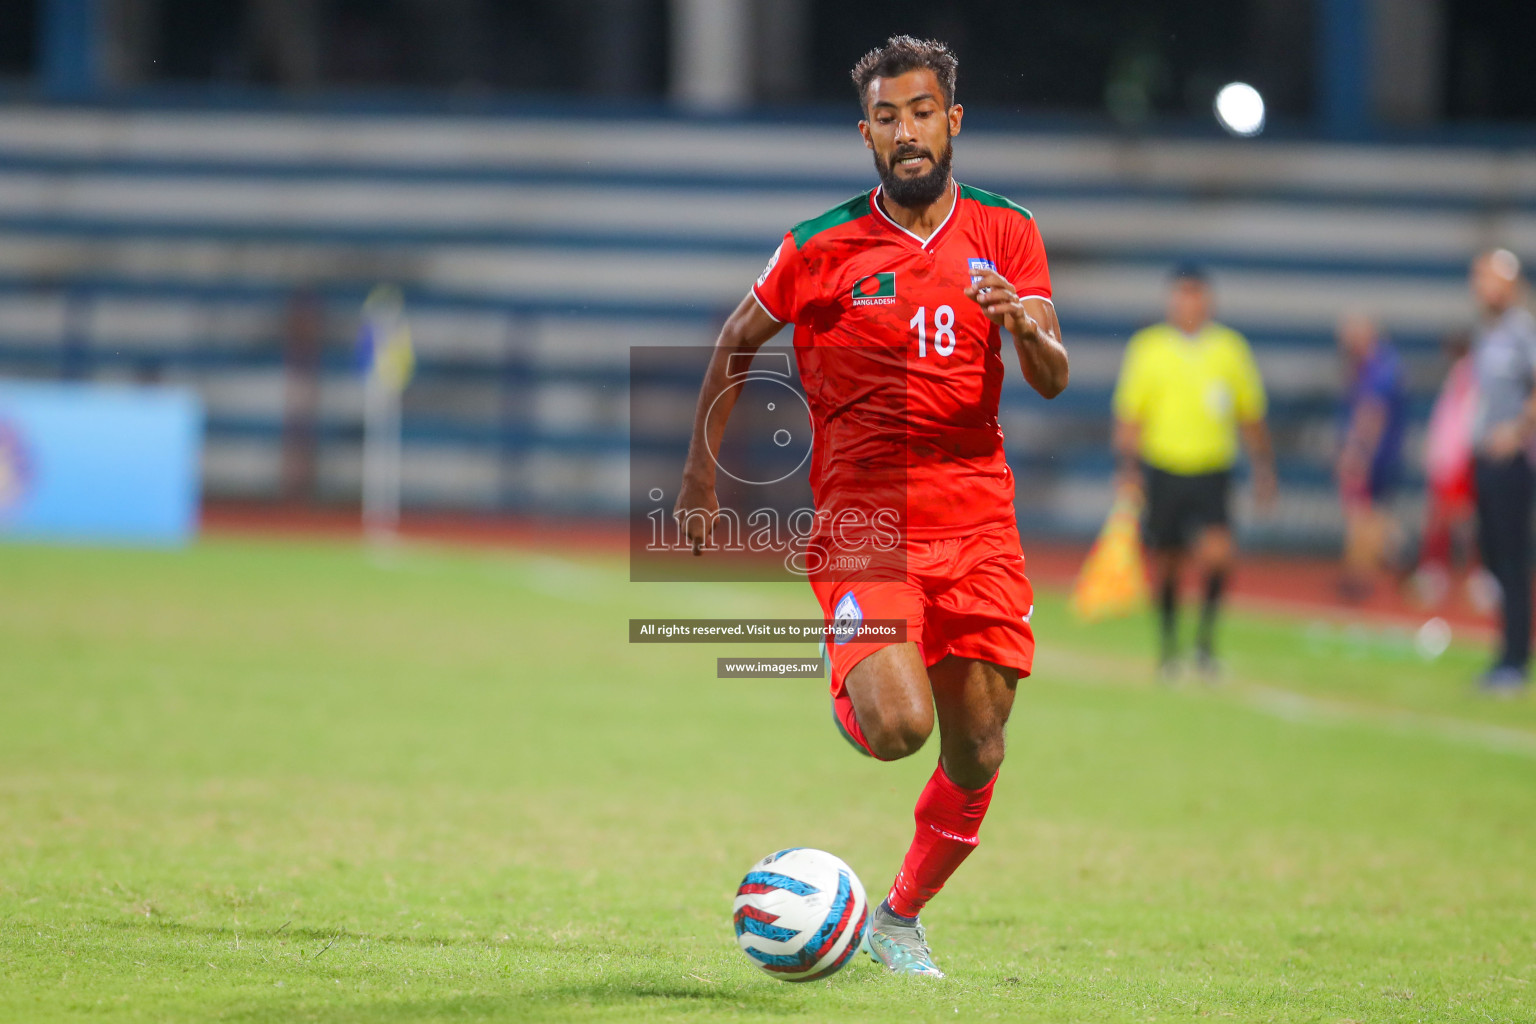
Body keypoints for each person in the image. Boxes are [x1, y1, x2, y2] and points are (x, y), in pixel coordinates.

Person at [675, 35, 1068, 977]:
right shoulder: (822, 245)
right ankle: (851, 657)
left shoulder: (1007, 232)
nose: (907, 132)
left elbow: (1052, 377)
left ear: (952, 120)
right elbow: (737, 339)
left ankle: (898, 917)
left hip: (978, 521)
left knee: (978, 749)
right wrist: (699, 475)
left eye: (922, 112)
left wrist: (1022, 323)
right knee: (899, 729)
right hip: (866, 517)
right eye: (887, 119)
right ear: (867, 135)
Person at [1111, 264, 1276, 680]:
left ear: (1207, 299)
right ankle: (1169, 649)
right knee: (1166, 561)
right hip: (1164, 467)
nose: (1188, 302)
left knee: (1219, 555)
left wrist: (1263, 467)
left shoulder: (1230, 349)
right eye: (1181, 294)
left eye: (1195, 294)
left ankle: (1204, 644)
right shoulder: (1148, 348)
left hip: (1212, 468)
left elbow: (1250, 414)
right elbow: (1130, 416)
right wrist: (1128, 469)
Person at [1467, 249, 1536, 695]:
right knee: (1493, 559)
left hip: (1513, 462)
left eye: (1487, 278)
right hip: (1486, 460)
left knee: (1512, 561)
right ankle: (1504, 652)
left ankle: (1514, 659)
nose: (1479, 286)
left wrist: (1516, 432)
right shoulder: (1487, 332)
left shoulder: (1521, 331)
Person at [1334, 313, 1407, 601]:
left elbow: (1371, 415)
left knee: (1363, 517)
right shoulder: (1375, 366)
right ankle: (1373, 567)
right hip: (1382, 456)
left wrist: (1356, 455)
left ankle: (1361, 579)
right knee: (1370, 516)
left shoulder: (1378, 368)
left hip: (1376, 458)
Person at [1411, 331, 1481, 610]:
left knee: (1460, 520)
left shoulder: (1471, 375)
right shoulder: (1459, 375)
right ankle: (1441, 572)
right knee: (1447, 519)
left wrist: (1456, 458)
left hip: (1458, 460)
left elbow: (1466, 420)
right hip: (1449, 460)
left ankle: (1472, 575)